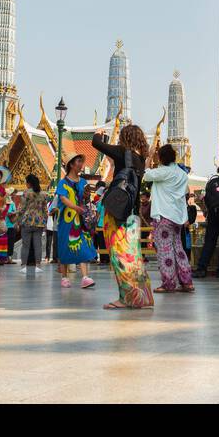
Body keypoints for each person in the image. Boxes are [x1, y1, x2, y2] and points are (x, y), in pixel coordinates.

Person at [92, 126, 155, 309]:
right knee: (133, 257)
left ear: (124, 138)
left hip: (117, 212)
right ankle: (144, 296)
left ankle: (127, 298)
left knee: (119, 256)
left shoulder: (122, 152)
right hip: (132, 214)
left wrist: (99, 132)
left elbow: (96, 144)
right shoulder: (141, 160)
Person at [145, 144, 194, 293]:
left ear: (161, 157)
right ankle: (187, 281)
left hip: (164, 215)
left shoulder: (163, 172)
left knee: (165, 250)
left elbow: (146, 174)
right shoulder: (182, 174)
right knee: (178, 248)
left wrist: (149, 157)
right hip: (178, 217)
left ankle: (169, 283)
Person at [54, 154, 97, 288]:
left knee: (83, 245)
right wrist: (75, 207)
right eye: (78, 161)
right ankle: (64, 277)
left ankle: (85, 276)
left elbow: (85, 198)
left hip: (80, 219)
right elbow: (63, 198)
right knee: (65, 246)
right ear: (71, 164)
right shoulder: (63, 182)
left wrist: (86, 195)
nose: (81, 164)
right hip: (67, 220)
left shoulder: (83, 181)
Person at [16, 173, 50, 273]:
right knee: (37, 245)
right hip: (39, 222)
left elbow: (21, 209)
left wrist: (18, 221)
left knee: (25, 245)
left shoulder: (26, 193)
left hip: (27, 222)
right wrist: (45, 222)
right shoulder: (43, 194)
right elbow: (45, 210)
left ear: (29, 183)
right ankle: (38, 266)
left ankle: (23, 266)